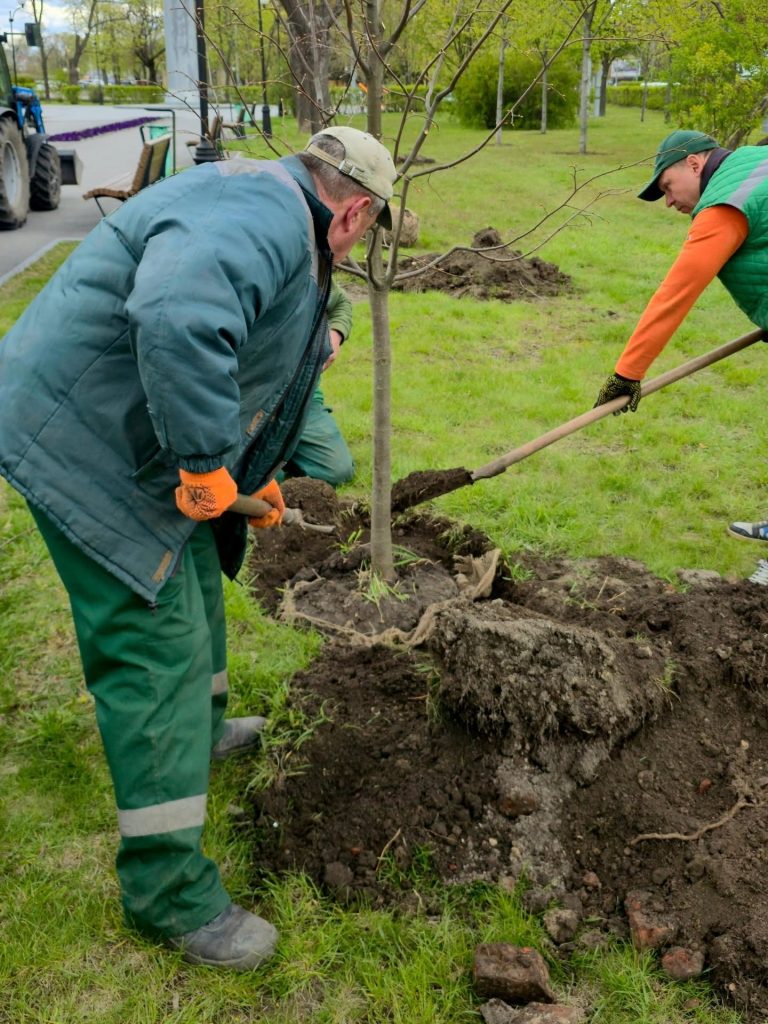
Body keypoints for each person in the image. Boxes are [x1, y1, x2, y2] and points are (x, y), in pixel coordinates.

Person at [0, 126, 396, 968]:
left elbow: (251, 352)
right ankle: (167, 895)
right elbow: (178, 314)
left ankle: (204, 731)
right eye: (368, 228)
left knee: (200, 579)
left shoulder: (266, 204)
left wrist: (249, 472)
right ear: (354, 210)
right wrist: (203, 464)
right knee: (156, 647)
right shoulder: (261, 210)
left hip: (118, 430)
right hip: (86, 447)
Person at [594, 129, 768, 578]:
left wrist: (626, 374)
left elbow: (677, 292)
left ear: (694, 163)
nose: (668, 202)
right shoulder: (751, 162)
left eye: (667, 187)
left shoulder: (724, 205)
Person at [280, 279, 356, 487]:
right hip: (249, 398)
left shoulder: (306, 270)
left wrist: (335, 334)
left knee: (337, 469)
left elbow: (341, 303)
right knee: (245, 479)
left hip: (301, 394)